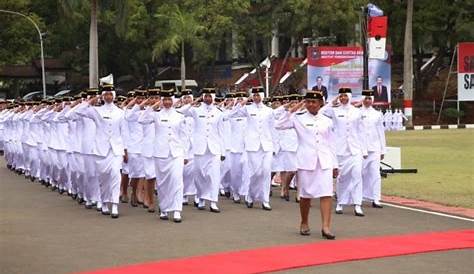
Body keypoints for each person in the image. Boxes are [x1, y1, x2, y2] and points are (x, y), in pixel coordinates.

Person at [276, 91, 338, 239]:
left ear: (321, 103)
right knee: (305, 194)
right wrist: (291, 111)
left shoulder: (327, 121)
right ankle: (304, 222)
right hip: (306, 161)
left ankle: (326, 227)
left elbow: (331, 143)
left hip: (324, 161)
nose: (311, 104)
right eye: (308, 101)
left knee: (326, 193)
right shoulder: (298, 118)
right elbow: (278, 125)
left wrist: (335, 164)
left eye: (314, 102)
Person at [72, 84, 128, 218]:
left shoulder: (120, 112)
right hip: (100, 150)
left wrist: (125, 150)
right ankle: (103, 202)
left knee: (115, 174)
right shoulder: (96, 111)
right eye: (106, 94)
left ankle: (114, 205)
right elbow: (77, 111)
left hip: (116, 149)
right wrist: (92, 100)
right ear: (102, 96)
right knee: (103, 178)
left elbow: (124, 132)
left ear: (114, 96)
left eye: (110, 94)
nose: (108, 97)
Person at [139, 89, 188, 222]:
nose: (167, 102)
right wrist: (154, 105)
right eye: (164, 99)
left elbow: (184, 136)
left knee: (177, 180)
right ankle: (164, 209)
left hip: (176, 152)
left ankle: (177, 210)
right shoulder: (156, 115)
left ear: (173, 101)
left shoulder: (179, 115)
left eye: (169, 99)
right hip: (160, 153)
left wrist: (186, 154)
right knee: (162, 182)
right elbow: (141, 119)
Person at [227, 86, 275, 211]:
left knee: (265, 171)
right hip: (252, 146)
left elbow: (272, 128)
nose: (256, 97)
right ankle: (250, 196)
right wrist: (242, 102)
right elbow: (231, 114)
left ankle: (265, 200)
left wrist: (275, 146)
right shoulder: (247, 109)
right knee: (255, 173)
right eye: (254, 95)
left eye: (258, 95)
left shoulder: (269, 111)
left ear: (263, 96)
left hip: (266, 145)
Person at [178, 87, 225, 213]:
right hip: (199, 148)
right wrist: (191, 103)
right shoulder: (195, 110)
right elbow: (180, 112)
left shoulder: (219, 112)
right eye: (206, 96)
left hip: (214, 149)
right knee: (200, 175)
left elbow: (222, 133)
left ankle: (213, 202)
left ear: (214, 97)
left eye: (210, 96)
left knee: (214, 175)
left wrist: (223, 151)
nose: (208, 99)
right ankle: (201, 198)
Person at [323, 87, 367, 217]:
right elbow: (322, 111)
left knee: (357, 175)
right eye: (341, 96)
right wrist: (332, 101)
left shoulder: (357, 112)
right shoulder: (334, 111)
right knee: (342, 178)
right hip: (340, 150)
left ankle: (357, 204)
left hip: (355, 149)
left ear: (350, 96)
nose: (343, 98)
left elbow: (361, 132)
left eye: (345, 96)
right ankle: (340, 203)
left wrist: (364, 150)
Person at [360, 90, 386, 208]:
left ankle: (376, 199)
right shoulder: (357, 113)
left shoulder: (377, 114)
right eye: (365, 98)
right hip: (361, 149)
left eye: (369, 98)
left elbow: (381, 132)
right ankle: (358, 197)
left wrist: (383, 149)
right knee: (359, 174)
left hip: (375, 148)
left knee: (375, 174)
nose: (367, 101)